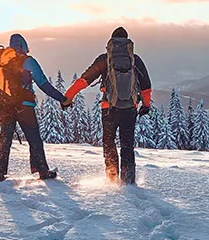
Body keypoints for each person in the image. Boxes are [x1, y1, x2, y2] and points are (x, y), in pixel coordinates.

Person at [64, 27, 152, 185]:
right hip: (130, 108)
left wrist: (68, 97)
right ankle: (128, 181)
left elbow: (85, 79)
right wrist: (146, 105)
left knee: (109, 142)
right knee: (127, 145)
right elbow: (146, 86)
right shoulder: (135, 60)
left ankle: (112, 179)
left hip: (109, 109)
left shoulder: (105, 59)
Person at [0, 34, 72, 182]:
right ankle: (43, 171)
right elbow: (43, 84)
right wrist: (63, 99)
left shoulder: (2, 61)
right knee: (34, 139)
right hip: (24, 106)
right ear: (24, 46)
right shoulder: (28, 61)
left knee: (5, 137)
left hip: (6, 106)